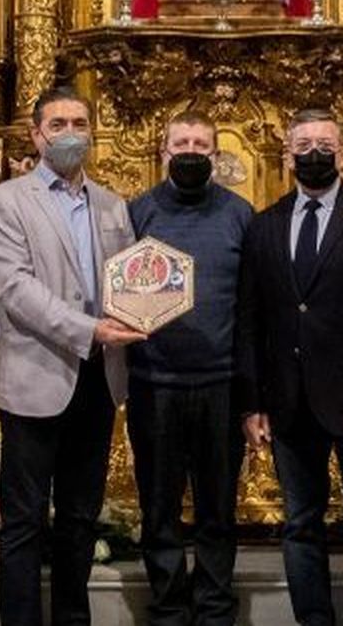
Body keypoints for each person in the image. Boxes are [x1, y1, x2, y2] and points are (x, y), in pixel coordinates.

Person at [236, 108, 343, 626]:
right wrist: (252, 402)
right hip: (289, 404)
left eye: (324, 144)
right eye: (304, 144)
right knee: (299, 524)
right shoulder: (265, 224)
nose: (314, 153)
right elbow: (251, 321)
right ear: (287, 154)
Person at [0, 86, 142, 626]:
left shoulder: (113, 204)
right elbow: (17, 290)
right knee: (24, 521)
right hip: (35, 378)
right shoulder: (5, 201)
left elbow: (127, 281)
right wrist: (91, 329)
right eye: (58, 124)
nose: (70, 134)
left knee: (79, 516)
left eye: (79, 123)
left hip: (99, 378)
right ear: (36, 134)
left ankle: (73, 619)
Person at [127, 110, 253, 626]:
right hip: (154, 382)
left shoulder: (241, 214)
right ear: (163, 151)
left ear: (216, 154)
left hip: (221, 383)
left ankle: (215, 609)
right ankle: (169, 608)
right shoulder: (137, 212)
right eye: (182, 143)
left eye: (202, 145)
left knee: (217, 509)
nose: (192, 152)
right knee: (158, 508)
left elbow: (251, 305)